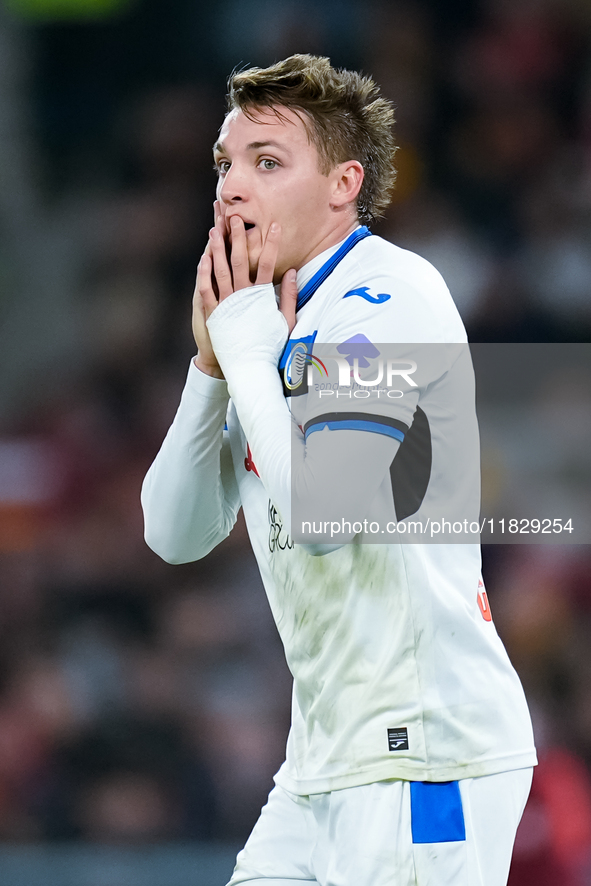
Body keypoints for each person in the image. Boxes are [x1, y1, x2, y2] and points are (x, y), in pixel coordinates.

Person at [141, 54, 536, 886]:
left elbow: (324, 516)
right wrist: (210, 369)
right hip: (322, 757)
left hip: (425, 751)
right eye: (225, 163)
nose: (231, 188)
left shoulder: (386, 297)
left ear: (341, 184)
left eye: (267, 162)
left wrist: (244, 340)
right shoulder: (270, 325)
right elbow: (172, 534)